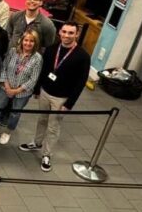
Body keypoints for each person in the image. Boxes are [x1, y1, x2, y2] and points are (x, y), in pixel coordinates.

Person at [20, 21, 90, 172]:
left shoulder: (83, 56)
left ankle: (47, 154)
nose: (67, 35)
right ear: (60, 32)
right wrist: (38, 89)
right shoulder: (52, 49)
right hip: (45, 92)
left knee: (53, 126)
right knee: (42, 119)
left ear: (76, 34)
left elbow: (81, 82)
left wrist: (69, 104)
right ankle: (37, 143)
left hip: (61, 98)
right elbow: (43, 70)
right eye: (64, 32)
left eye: (71, 33)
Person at [0, 30, 43, 145]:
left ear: (35, 43)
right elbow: (4, 67)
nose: (28, 43)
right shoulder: (13, 51)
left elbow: (33, 79)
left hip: (22, 92)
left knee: (15, 113)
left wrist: (16, 91)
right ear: (22, 41)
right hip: (5, 87)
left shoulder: (37, 58)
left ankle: (8, 132)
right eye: (26, 40)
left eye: (31, 41)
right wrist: (7, 86)